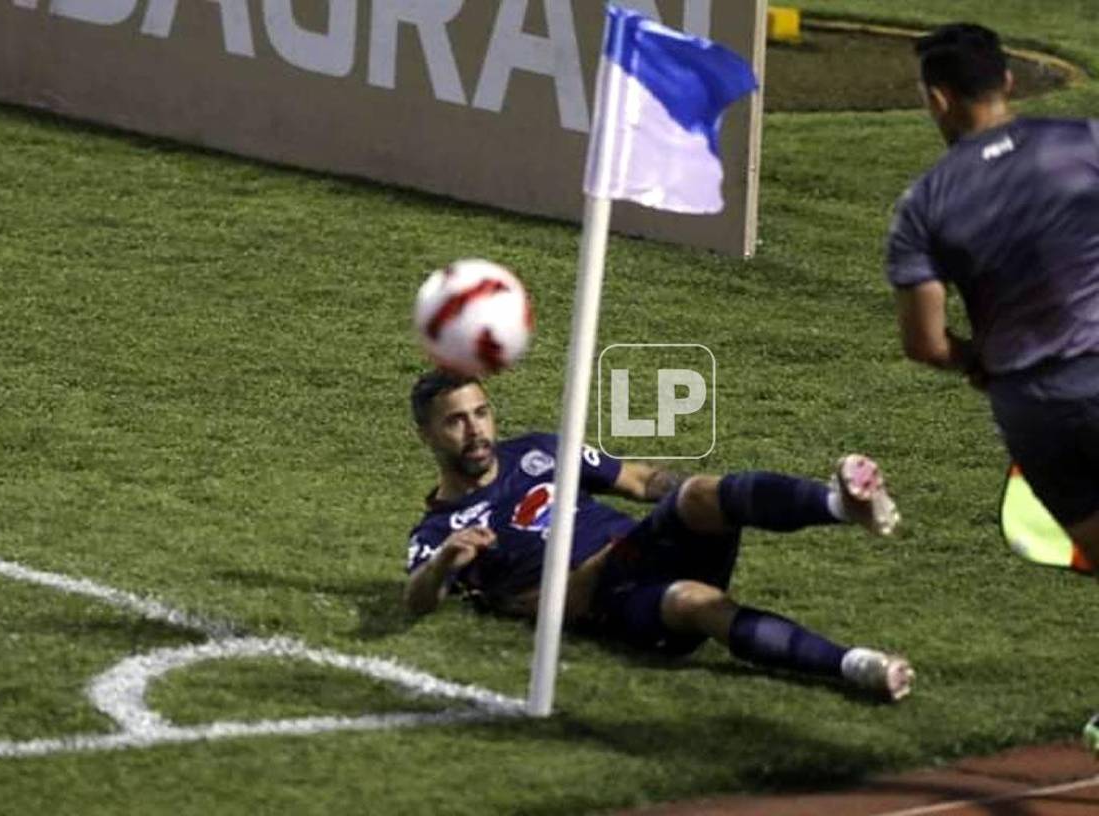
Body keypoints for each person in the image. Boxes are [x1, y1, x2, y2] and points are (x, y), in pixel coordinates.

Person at [403, 370, 915, 702]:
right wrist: (446, 561)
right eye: (455, 422)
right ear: (427, 435)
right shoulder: (439, 528)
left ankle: (843, 505)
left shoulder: (537, 451)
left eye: (481, 413)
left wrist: (693, 500)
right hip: (605, 596)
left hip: (648, 545)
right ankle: (856, 666)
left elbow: (643, 481)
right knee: (697, 603)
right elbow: (418, 597)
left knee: (694, 494)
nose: (475, 430)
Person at [885, 22, 1098, 751]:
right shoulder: (1083, 144)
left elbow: (923, 343)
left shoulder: (924, 206)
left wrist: (977, 360)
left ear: (937, 99)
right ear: (1007, 81)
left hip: (1035, 409)